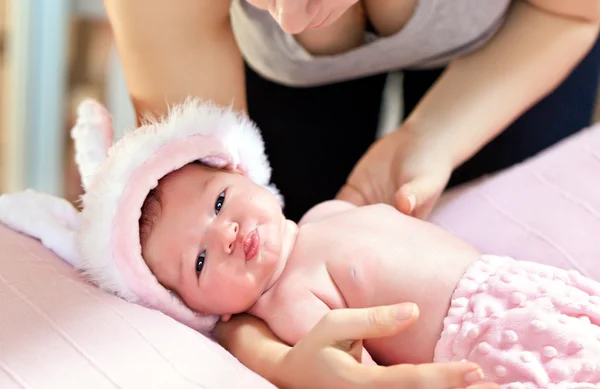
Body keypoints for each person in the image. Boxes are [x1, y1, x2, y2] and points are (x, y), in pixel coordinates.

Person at [104, 0, 600, 222]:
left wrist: (434, 137)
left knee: (499, 249)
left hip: (530, 25)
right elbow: (191, 216)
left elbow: (576, 11)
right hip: (286, 77)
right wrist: (266, 352)